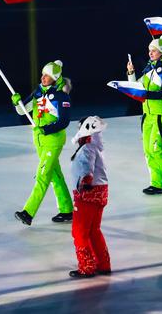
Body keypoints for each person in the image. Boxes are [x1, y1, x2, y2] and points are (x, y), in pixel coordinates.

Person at [12, 60, 73, 225]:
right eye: (43, 74)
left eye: (47, 75)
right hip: (39, 140)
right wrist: (17, 102)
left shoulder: (61, 95)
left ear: (55, 78)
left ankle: (28, 212)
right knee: (55, 174)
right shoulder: (38, 92)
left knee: (43, 175)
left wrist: (46, 129)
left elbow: (64, 121)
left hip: (53, 140)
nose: (43, 77)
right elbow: (22, 110)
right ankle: (67, 210)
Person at [127, 35, 162, 195]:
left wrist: (146, 95)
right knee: (148, 150)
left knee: (156, 148)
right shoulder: (149, 68)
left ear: (161, 52)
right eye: (149, 50)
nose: (150, 53)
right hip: (147, 114)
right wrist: (131, 73)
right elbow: (137, 86)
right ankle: (157, 184)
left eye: (154, 51)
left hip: (160, 114)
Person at [68, 116, 111, 278]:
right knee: (94, 230)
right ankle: (103, 263)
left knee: (79, 232)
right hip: (100, 192)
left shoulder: (87, 147)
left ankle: (86, 266)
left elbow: (87, 166)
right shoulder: (96, 145)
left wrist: (85, 182)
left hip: (87, 194)